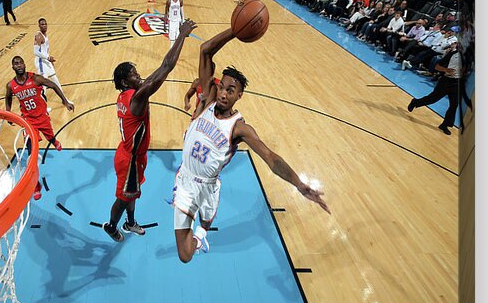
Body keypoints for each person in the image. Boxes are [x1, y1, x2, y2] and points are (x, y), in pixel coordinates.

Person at [172, 28, 330, 264]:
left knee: (206, 217)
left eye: (231, 91)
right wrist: (236, 31)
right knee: (185, 255)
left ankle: (202, 232)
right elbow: (205, 50)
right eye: (223, 87)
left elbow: (271, 158)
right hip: (185, 181)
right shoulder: (206, 99)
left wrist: (299, 184)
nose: (224, 93)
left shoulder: (239, 129)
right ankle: (200, 237)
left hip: (207, 186)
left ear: (240, 95)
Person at [103, 19, 198, 242]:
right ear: (125, 81)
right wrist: (182, 35)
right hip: (130, 161)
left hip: (132, 156)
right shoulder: (136, 98)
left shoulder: (126, 96)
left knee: (132, 193)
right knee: (124, 197)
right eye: (134, 74)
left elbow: (155, 75)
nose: (139, 76)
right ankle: (111, 225)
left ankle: (130, 222)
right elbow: (166, 67)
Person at [5, 56, 75, 200]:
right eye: (15, 64)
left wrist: (65, 101)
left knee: (49, 135)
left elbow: (54, 85)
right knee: (32, 155)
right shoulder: (11, 85)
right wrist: (8, 112)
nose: (18, 65)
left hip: (42, 116)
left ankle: (54, 141)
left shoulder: (36, 79)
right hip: (28, 120)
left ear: (24, 64)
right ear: (13, 67)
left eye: (20, 62)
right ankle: (36, 186)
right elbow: (8, 97)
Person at [407, 41, 462, 135]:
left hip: (457, 84)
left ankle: (444, 125)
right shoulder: (452, 54)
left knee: (454, 105)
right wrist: (446, 70)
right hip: (446, 81)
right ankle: (415, 102)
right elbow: (437, 66)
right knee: (432, 99)